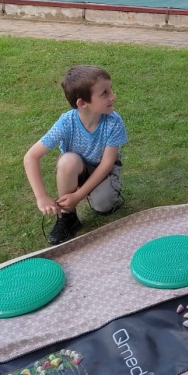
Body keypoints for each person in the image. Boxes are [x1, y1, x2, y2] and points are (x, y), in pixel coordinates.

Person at [24, 65, 127, 245]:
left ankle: (97, 193)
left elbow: (106, 165)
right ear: (82, 103)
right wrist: (41, 196)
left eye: (110, 90)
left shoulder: (114, 122)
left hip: (102, 171)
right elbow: (31, 157)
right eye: (104, 93)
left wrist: (78, 196)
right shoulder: (66, 122)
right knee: (67, 161)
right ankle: (67, 216)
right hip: (76, 167)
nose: (113, 96)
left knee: (104, 207)